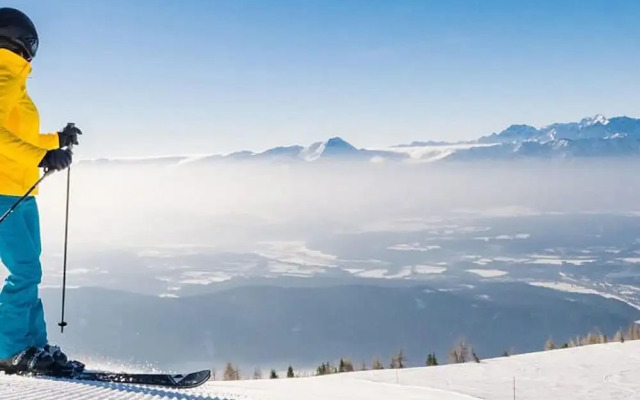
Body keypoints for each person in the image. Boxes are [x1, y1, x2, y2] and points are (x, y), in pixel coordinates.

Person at [0, 7, 82, 373]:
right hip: (4, 190)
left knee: (30, 270)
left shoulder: (14, 79)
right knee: (25, 271)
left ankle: (33, 345)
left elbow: (20, 134)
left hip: (23, 191)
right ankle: (10, 349)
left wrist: (56, 141)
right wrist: (42, 155)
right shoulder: (1, 73)